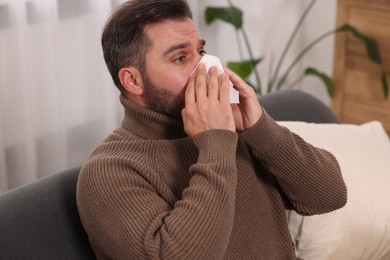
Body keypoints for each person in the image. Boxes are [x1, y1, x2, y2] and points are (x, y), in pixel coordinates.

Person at [76, 0, 347, 259]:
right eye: (181, 58)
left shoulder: (234, 127)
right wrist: (215, 143)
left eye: (201, 53)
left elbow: (330, 196)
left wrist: (260, 127)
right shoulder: (109, 171)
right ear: (133, 80)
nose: (206, 68)